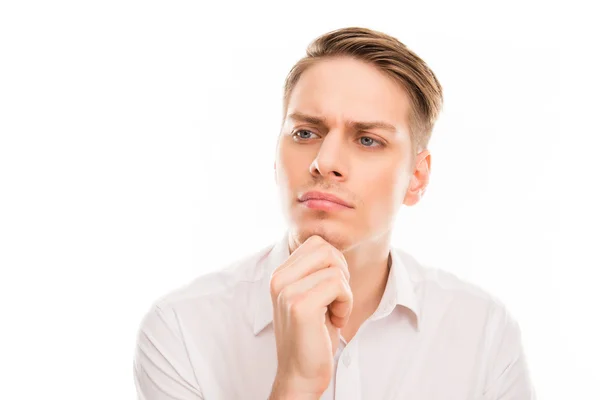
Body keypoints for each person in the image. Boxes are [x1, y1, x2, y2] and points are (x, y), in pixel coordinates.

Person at [133, 26, 535, 399]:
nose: (325, 162)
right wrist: (296, 383)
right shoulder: (181, 330)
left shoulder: (484, 333)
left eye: (367, 140)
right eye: (305, 133)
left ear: (416, 176)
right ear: (276, 157)